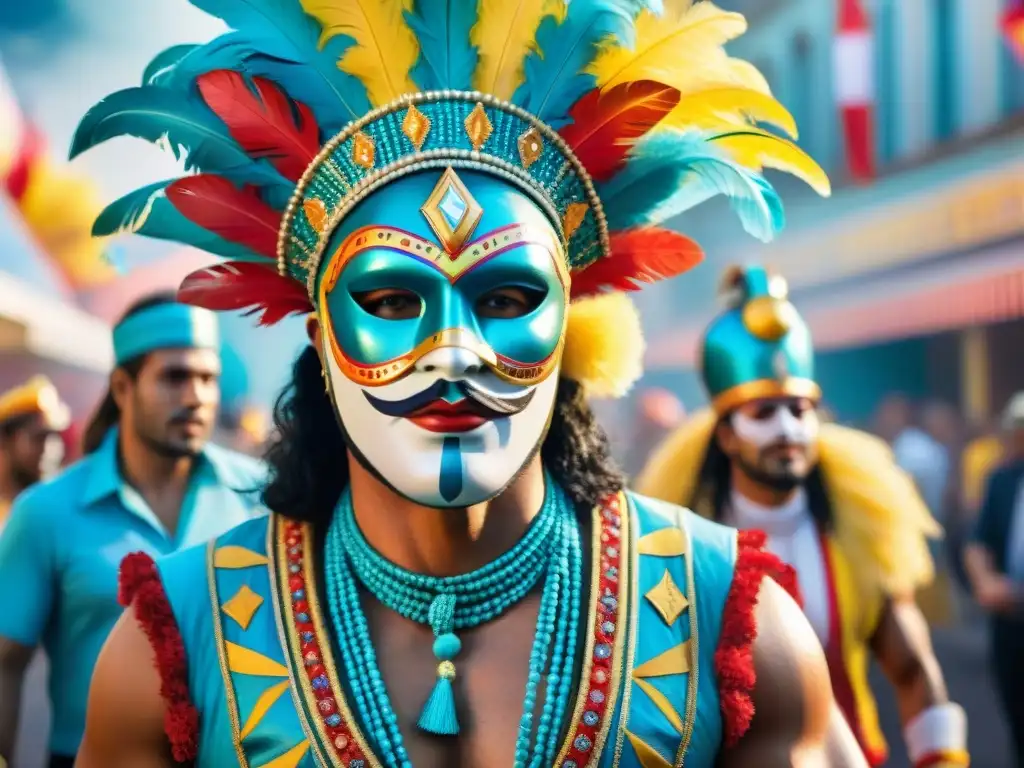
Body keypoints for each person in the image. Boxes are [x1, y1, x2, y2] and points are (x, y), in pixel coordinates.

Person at [71, 1, 867, 765]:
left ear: (569, 327)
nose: (454, 352)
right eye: (391, 300)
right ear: (321, 339)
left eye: (506, 299)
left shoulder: (722, 615)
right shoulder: (183, 639)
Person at [637, 265, 968, 768]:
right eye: (763, 413)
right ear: (726, 435)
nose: (788, 431)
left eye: (799, 410)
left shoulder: (856, 532)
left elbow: (913, 672)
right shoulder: (685, 549)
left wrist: (941, 760)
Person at [0, 292, 267, 768]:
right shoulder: (45, 511)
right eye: (175, 377)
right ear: (123, 388)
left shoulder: (261, 498)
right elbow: (5, 664)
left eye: (208, 379)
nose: (196, 397)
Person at [965, 391, 1024, 766]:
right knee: (1016, 714)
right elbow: (978, 541)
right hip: (1010, 620)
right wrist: (985, 581)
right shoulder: (1003, 479)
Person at [0, 376, 69, 527]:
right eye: (39, 438)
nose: (49, 450)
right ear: (5, 441)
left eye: (55, 438)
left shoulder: (58, 512)